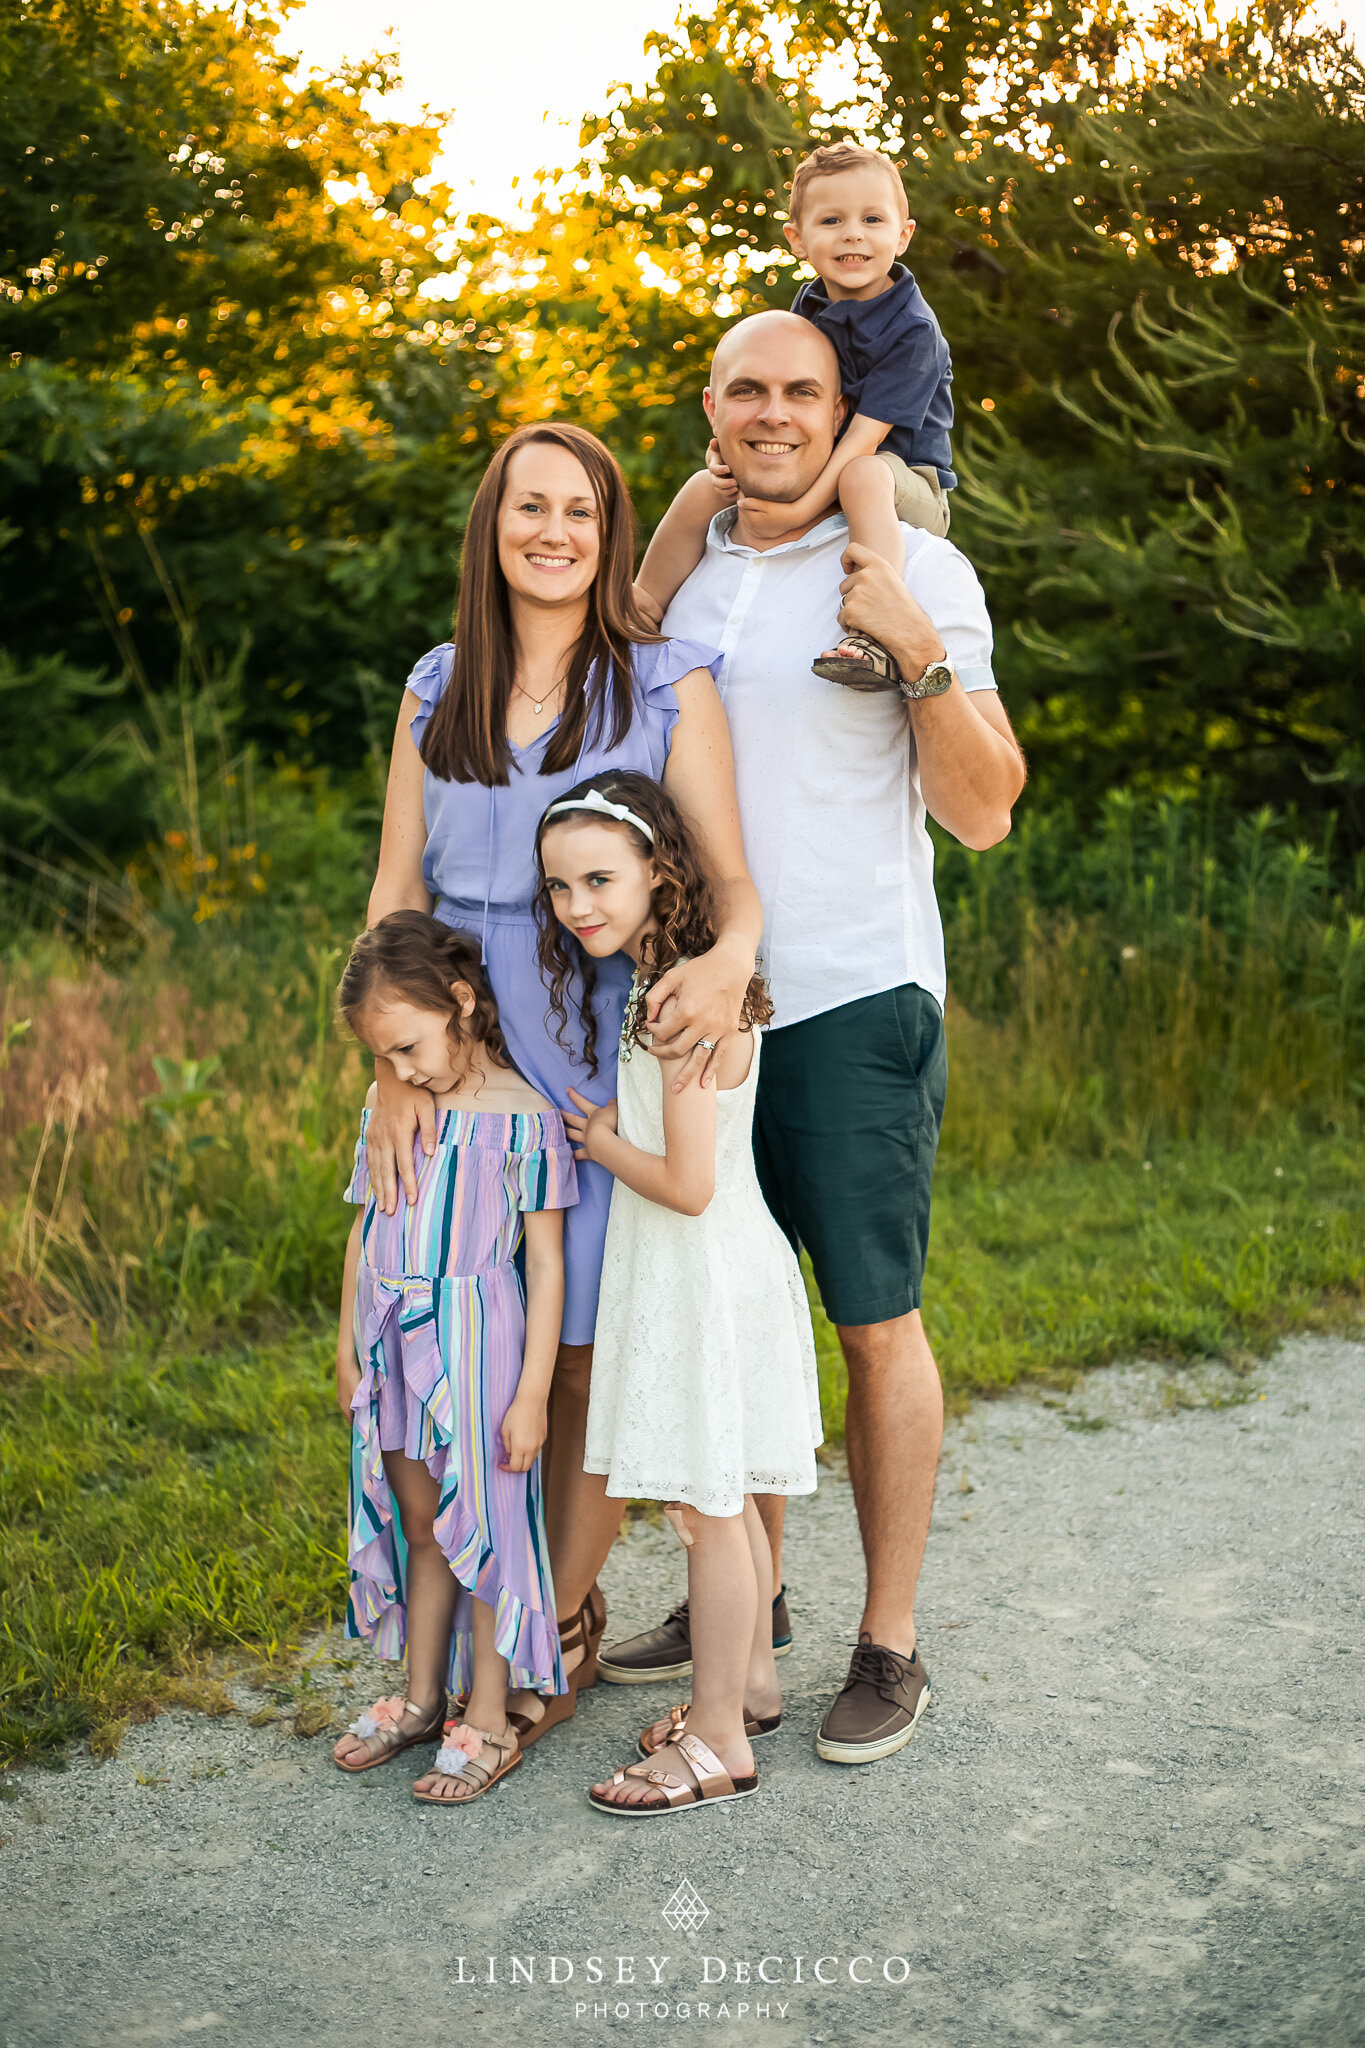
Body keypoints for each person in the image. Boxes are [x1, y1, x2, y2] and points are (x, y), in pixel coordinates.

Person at [604, 309, 1026, 1766]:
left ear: (849, 411)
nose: (773, 412)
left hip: (850, 994)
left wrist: (913, 654)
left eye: (803, 390)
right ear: (709, 412)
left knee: (867, 1318)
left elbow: (983, 811)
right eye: (746, 390)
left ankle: (889, 1644)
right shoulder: (683, 577)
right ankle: (755, 1611)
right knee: (726, 1305)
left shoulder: (914, 566)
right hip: (700, 1011)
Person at [362, 422, 763, 1730]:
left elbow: (728, 885)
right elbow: (395, 894)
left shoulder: (661, 678)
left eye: (581, 511)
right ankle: (492, 1625)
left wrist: (725, 986)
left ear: (607, 533)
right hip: (458, 1072)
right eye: (528, 507)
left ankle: (550, 1628)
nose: (553, 531)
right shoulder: (438, 684)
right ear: (492, 526)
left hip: (598, 1067)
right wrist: (389, 1076)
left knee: (581, 1354)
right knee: (464, 1358)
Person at [532, 773, 822, 1813]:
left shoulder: (675, 1001)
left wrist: (603, 1140)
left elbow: (689, 1184)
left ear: (660, 870)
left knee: (708, 1510)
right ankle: (746, 1685)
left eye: (600, 878)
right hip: (715, 1267)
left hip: (701, 1271)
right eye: (560, 886)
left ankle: (714, 1743)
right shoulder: (684, 974)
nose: (578, 906)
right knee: (725, 1499)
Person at [330, 913, 576, 1803]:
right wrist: (347, 1343)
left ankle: (490, 1715)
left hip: (479, 1340)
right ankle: (422, 1695)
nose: (399, 1072)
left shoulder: (524, 1119)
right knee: (420, 1518)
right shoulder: (388, 1109)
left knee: (485, 1525)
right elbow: (365, 1222)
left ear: (460, 1004)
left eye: (407, 1048)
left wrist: (534, 1393)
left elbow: (543, 1262)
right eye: (383, 1058)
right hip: (394, 1339)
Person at [635, 141, 955, 686]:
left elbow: (861, 442)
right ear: (798, 239)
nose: (854, 233)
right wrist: (726, 451)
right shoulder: (808, 310)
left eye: (873, 219)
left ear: (902, 235)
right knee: (701, 487)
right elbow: (772, 399)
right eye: (832, 220)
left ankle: (874, 634)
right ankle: (636, 616)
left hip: (905, 481)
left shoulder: (914, 331)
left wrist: (797, 509)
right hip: (831, 463)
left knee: (862, 475)